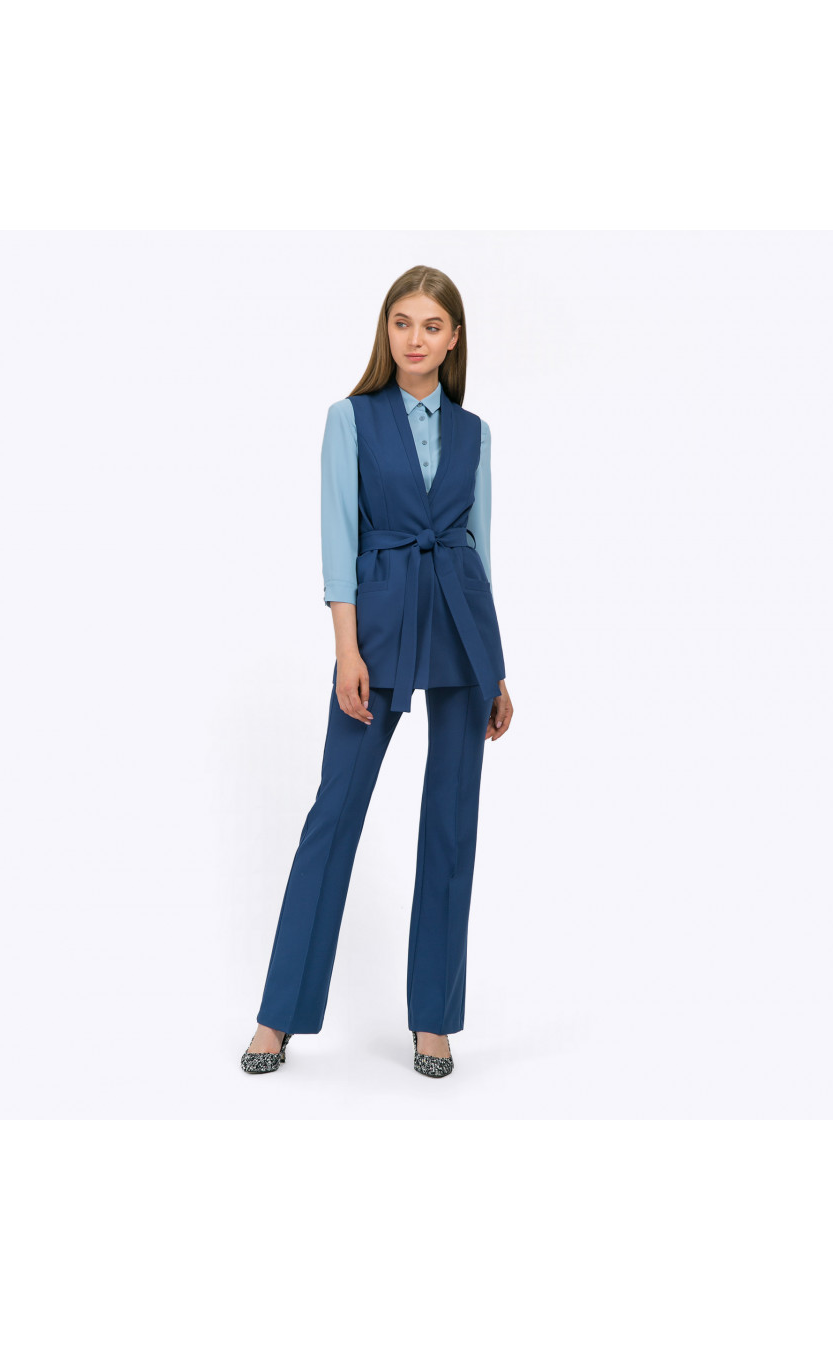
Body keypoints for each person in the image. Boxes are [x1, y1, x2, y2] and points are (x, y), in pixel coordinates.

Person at [241, 264, 514, 1079]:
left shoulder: (475, 433)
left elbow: (480, 548)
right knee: (334, 814)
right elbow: (338, 539)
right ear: (385, 331)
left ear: (454, 339)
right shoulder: (350, 418)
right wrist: (346, 650)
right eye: (402, 322)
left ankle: (434, 1021)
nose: (415, 338)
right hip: (381, 626)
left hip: (463, 625)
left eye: (432, 325)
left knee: (453, 822)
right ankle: (278, 1014)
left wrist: (496, 668)